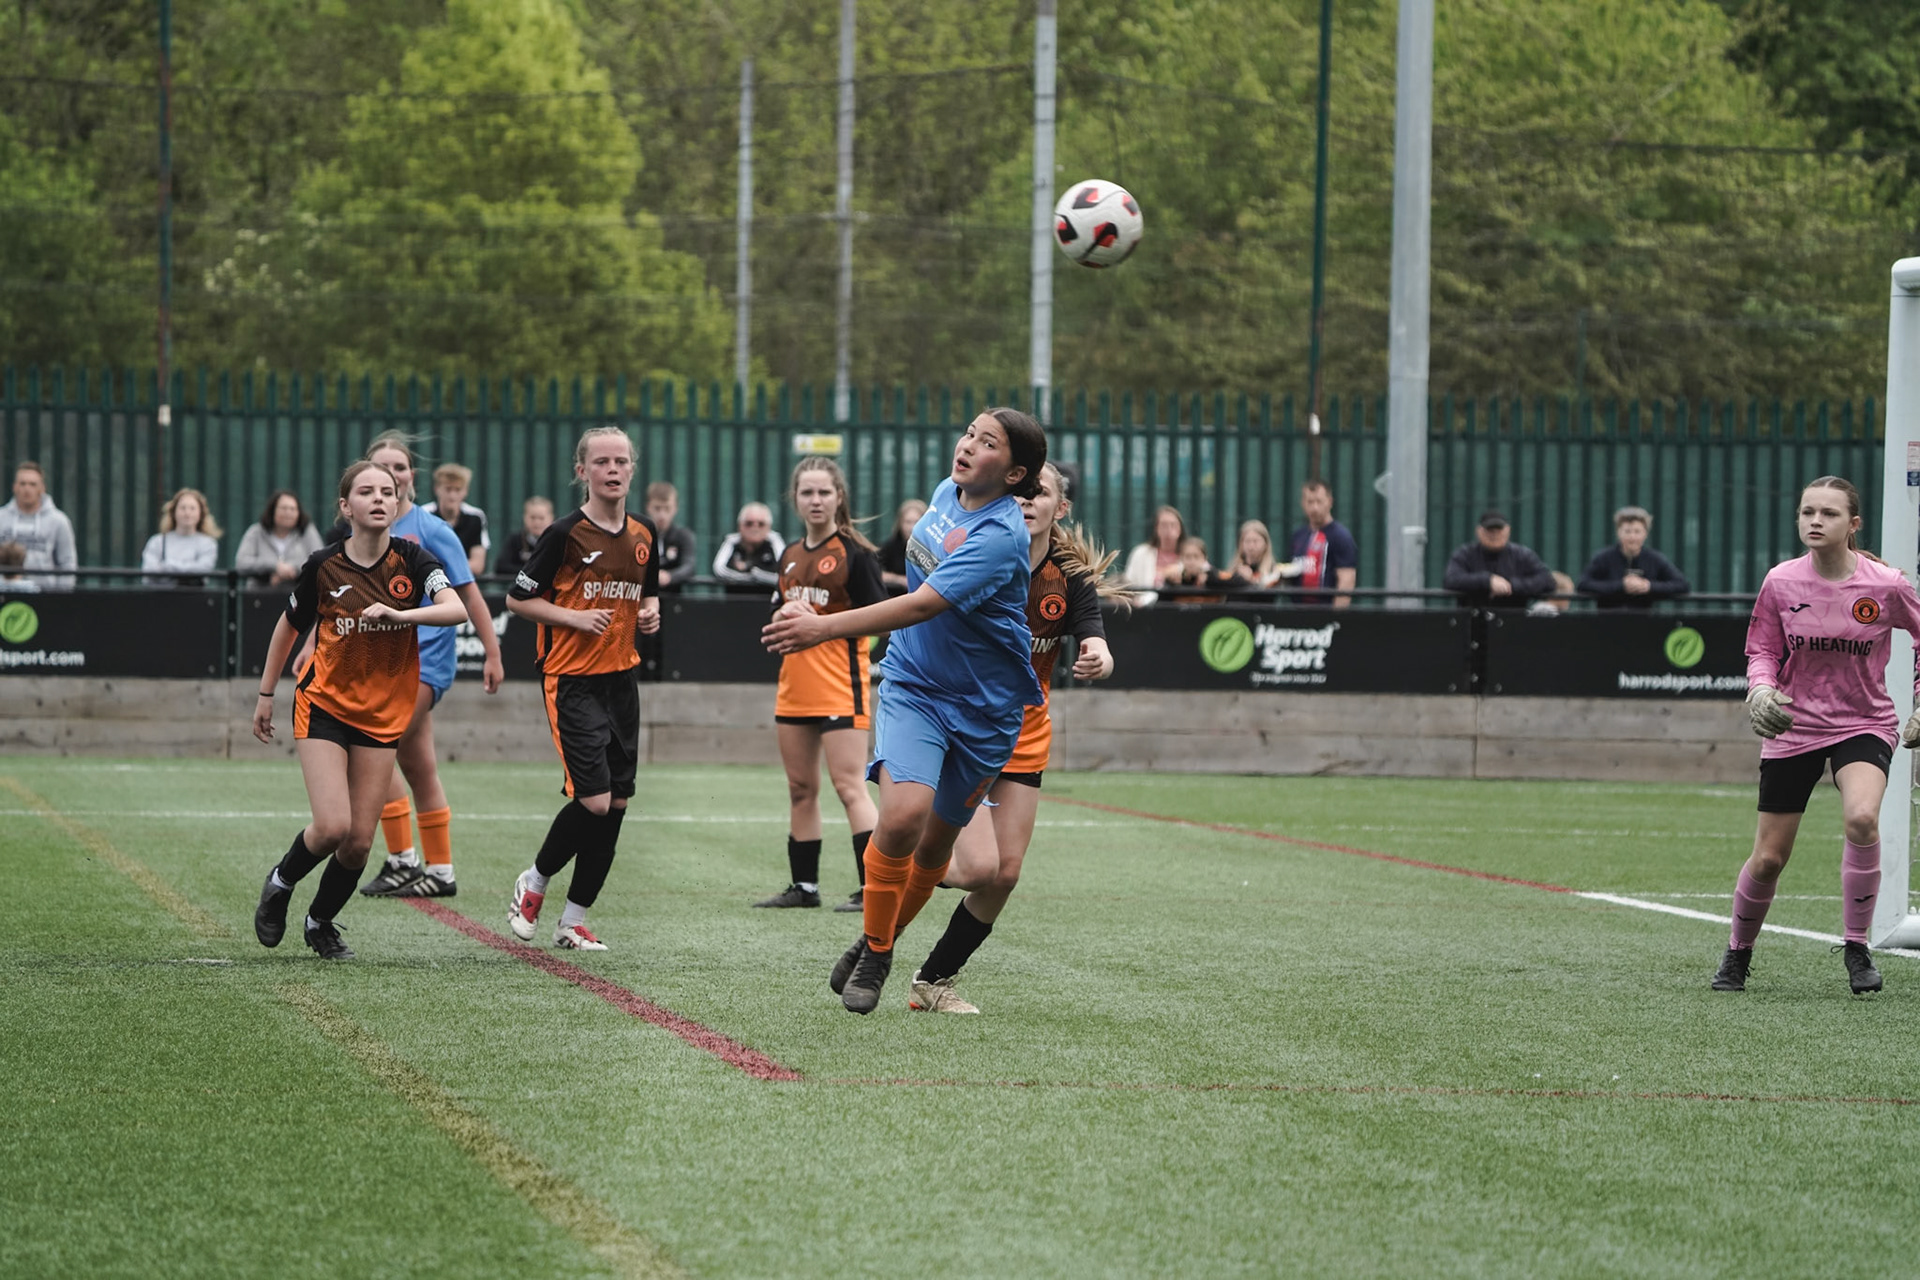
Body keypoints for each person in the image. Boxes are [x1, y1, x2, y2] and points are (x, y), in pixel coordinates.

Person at [765, 407, 1047, 1015]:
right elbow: (916, 611)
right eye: (969, 432)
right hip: (915, 685)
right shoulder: (947, 492)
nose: (967, 445)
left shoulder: (1002, 535)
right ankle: (879, 952)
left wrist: (822, 627)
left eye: (987, 442)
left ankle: (876, 938)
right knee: (902, 815)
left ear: (1014, 473)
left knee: (936, 851)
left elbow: (921, 605)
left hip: (987, 713)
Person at [908, 461, 1125, 1013]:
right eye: (1022, 491)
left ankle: (932, 981)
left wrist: (1098, 657)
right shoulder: (979, 553)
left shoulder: (1068, 578)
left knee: (1003, 875)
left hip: (1024, 737)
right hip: (966, 728)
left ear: (1060, 508)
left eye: (1041, 493)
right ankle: (899, 859)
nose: (1028, 501)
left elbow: (1095, 639)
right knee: (977, 868)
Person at [250, 460, 467, 960]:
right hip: (324, 704)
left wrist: (401, 614)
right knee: (332, 827)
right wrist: (265, 694)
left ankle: (319, 922)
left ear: (398, 501)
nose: (379, 499)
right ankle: (281, 882)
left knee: (359, 845)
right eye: (367, 492)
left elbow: (455, 608)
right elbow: (288, 627)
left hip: (382, 715)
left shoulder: (414, 560)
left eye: (387, 491)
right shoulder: (323, 565)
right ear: (346, 507)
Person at [1713, 475, 1920, 997]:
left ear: (1853, 524)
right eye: (1808, 512)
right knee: (1769, 858)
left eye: (1828, 513)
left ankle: (1857, 947)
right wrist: (1761, 689)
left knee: (1862, 817)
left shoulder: (1887, 585)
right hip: (1794, 725)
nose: (1815, 521)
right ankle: (1738, 953)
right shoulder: (1781, 581)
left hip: (1864, 722)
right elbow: (1762, 649)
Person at [505, 427, 663, 951]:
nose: (612, 470)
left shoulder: (644, 533)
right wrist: (574, 617)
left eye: (621, 461)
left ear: (632, 469)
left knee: (616, 804)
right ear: (582, 472)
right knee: (593, 801)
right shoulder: (564, 534)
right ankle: (534, 880)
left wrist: (650, 612)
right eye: (601, 462)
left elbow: (647, 594)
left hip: (622, 681)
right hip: (572, 680)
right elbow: (518, 600)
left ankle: (572, 921)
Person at [349, 435, 506, 901]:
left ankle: (403, 861)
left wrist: (493, 653)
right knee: (418, 767)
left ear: (410, 477)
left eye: (398, 468)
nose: (390, 476)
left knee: (370, 750)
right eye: (380, 468)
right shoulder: (361, 528)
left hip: (423, 665)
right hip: (379, 665)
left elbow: (469, 594)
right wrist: (312, 643)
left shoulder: (432, 530)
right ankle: (440, 870)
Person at [754, 457, 886, 913]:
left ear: (839, 497)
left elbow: (881, 619)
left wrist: (824, 622)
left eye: (824, 492)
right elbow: (776, 609)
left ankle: (874, 889)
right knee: (800, 788)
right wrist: (785, 612)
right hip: (795, 685)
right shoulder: (789, 553)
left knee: (849, 785)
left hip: (840, 685)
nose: (816, 500)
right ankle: (804, 888)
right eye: (807, 492)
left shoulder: (857, 553)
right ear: (794, 498)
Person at [1577, 506, 1691, 610]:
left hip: (1643, 622)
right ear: (1618, 533)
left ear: (1645, 534)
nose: (1632, 537)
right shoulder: (1603, 558)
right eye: (1627, 531)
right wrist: (1621, 585)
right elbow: (1583, 584)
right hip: (1607, 621)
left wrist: (1648, 586)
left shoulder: (1654, 559)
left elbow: (1682, 585)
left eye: (1637, 532)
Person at [1443, 511, 1555, 608]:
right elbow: (1451, 580)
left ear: (1508, 530)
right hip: (1472, 620)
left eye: (1499, 529)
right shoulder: (1465, 554)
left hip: (1514, 620)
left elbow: (1547, 581)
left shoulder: (1522, 555)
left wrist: (1510, 586)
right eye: (1490, 530)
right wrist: (1487, 581)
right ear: (1479, 531)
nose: (1495, 534)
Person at [0, 462, 76, 589]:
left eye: (32, 484)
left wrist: (62, 595)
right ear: (15, 487)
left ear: (42, 488)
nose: (27, 489)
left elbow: (67, 562)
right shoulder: (1, 518)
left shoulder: (58, 521)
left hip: (45, 594)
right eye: (22, 483)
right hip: (5, 593)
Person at [1284, 480, 1358, 607]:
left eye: (1319, 502)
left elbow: (1346, 582)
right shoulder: (1298, 536)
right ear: (1303, 504)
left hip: (1325, 611)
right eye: (1310, 502)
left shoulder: (1340, 536)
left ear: (1330, 502)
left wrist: (1335, 616)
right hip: (1298, 612)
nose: (1315, 508)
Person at [234, 490, 324, 587]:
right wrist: (274, 567)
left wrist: (292, 570)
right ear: (272, 511)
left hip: (298, 592)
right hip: (260, 593)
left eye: (293, 509)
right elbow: (242, 563)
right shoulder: (256, 532)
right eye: (284, 508)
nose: (288, 513)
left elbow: (319, 562)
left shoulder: (308, 532)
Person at [140, 488, 223, 586]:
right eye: (183, 508)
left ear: (201, 514)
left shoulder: (208, 543)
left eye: (192, 508)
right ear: (173, 512)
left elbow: (203, 570)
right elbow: (149, 572)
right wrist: (188, 569)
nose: (187, 513)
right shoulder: (157, 541)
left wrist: (166, 566)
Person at [431, 463, 490, 576]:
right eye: (448, 489)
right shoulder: (424, 515)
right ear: (437, 489)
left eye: (457, 490)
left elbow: (477, 565)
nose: (452, 495)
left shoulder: (476, 517)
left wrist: (440, 567)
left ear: (465, 491)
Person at [713, 502, 785, 592]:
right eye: (749, 524)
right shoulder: (731, 541)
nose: (755, 528)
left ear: (769, 527)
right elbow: (719, 570)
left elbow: (785, 574)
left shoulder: (775, 541)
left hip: (768, 599)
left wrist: (756, 574)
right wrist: (750, 577)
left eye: (761, 524)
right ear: (740, 526)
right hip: (735, 598)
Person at [1123, 505, 1186, 604]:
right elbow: (1128, 583)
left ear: (1180, 529)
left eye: (1173, 525)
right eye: (1164, 525)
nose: (1168, 529)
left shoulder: (1190, 554)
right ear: (1156, 528)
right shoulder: (1140, 553)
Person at [645, 483, 698, 593]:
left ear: (675, 508)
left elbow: (689, 566)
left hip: (673, 598)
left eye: (667, 509)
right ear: (648, 507)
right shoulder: (639, 535)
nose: (662, 515)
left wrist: (670, 576)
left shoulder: (683, 536)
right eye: (657, 508)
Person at [1168, 535, 1246, 604]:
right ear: (1181, 559)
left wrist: (1211, 579)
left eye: (1196, 556)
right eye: (1187, 557)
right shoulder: (1175, 578)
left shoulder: (1212, 574)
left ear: (1204, 558)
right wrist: (1171, 583)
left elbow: (1239, 580)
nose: (1192, 561)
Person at [493, 496, 555, 578]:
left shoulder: (558, 541)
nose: (537, 522)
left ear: (551, 518)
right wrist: (534, 571)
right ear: (525, 518)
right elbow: (501, 567)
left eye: (541, 518)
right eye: (532, 517)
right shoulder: (515, 540)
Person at [877, 498, 929, 595]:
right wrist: (899, 580)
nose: (911, 527)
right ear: (900, 523)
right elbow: (874, 573)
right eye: (908, 522)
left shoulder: (932, 549)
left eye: (916, 522)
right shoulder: (890, 547)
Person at [1230, 519, 1284, 589]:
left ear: (1266, 544)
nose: (1251, 547)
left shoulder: (1273, 572)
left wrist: (1250, 580)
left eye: (1255, 541)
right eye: (1247, 541)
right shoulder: (1235, 570)